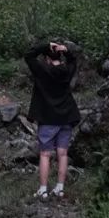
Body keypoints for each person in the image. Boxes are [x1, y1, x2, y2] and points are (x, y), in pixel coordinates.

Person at [25, 37, 79, 200]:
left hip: (48, 117)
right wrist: (66, 51)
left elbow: (28, 56)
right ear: (60, 57)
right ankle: (60, 188)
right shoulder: (66, 71)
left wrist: (44, 46)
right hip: (66, 117)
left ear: (47, 58)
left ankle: (43, 189)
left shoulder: (42, 70)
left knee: (45, 154)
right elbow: (73, 60)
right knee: (62, 153)